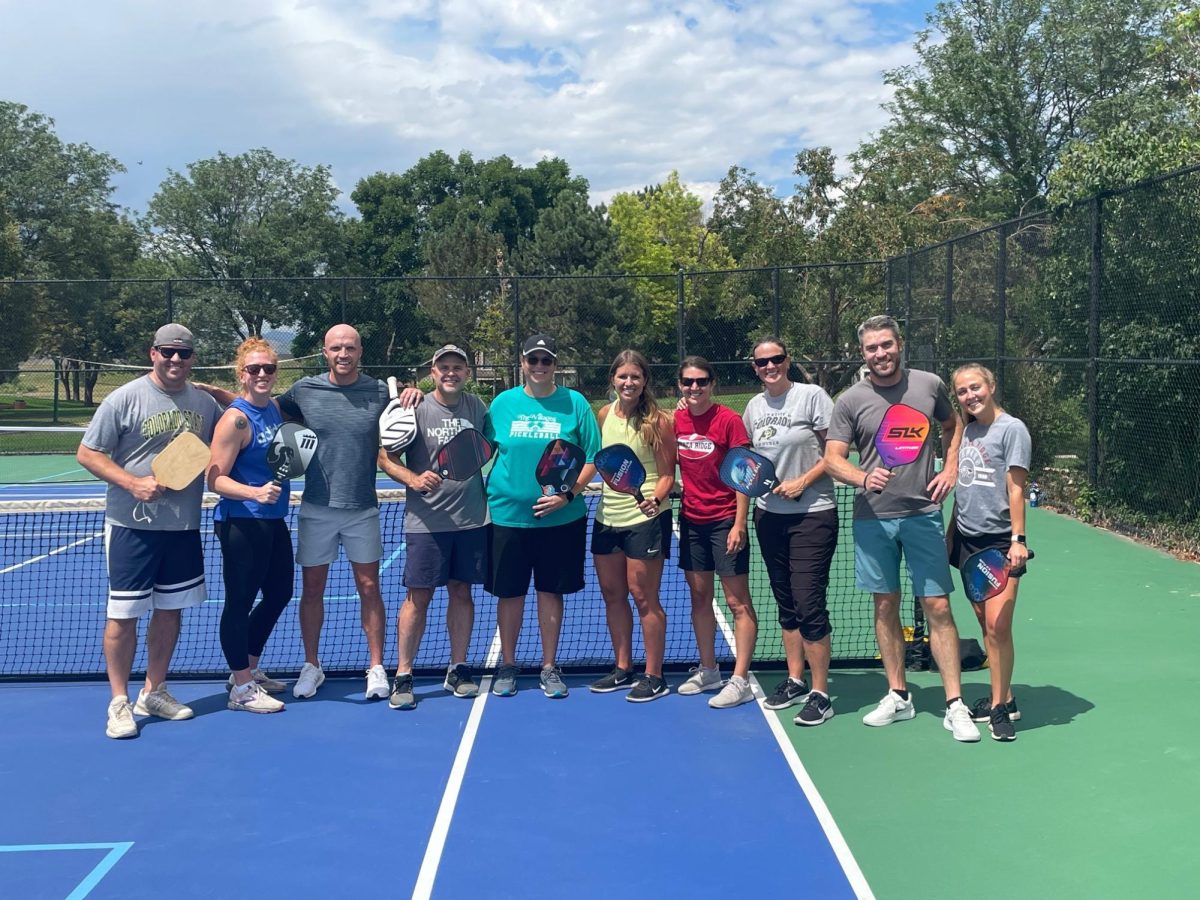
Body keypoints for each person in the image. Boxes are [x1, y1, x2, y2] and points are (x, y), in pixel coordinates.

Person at [824, 315, 980, 742]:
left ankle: (954, 704)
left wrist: (949, 467)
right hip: (873, 519)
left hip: (922, 514)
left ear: (900, 344)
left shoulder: (928, 385)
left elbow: (954, 425)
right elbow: (833, 457)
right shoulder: (850, 400)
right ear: (863, 353)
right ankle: (899, 695)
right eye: (872, 348)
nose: (881, 354)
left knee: (940, 608)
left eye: (887, 345)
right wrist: (860, 477)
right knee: (884, 606)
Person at [76, 324, 221, 739]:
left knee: (170, 611)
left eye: (184, 354)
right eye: (167, 352)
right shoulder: (124, 397)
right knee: (123, 614)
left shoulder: (204, 404)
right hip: (131, 527)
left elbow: (229, 425)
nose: (175, 360)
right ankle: (119, 701)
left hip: (182, 527)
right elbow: (87, 452)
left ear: (193, 358)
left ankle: (154, 691)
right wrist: (131, 483)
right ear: (152, 353)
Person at [483, 334, 599, 699]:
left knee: (550, 593)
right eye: (533, 360)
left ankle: (549, 666)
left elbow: (592, 458)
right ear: (522, 362)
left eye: (546, 361)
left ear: (554, 365)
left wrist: (566, 496)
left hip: (560, 520)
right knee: (510, 594)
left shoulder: (575, 403)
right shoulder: (502, 404)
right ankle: (508, 664)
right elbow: (481, 449)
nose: (539, 367)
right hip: (506, 517)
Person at [378, 345, 490, 710]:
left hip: (472, 519)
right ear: (433, 370)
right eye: (444, 367)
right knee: (418, 598)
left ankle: (457, 668)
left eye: (458, 367)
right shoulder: (415, 406)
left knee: (462, 593)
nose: (451, 373)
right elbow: (385, 456)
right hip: (426, 523)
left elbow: (487, 448)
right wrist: (412, 477)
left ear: (467, 372)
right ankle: (404, 674)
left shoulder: (477, 407)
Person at [743, 339, 840, 725]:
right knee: (786, 602)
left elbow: (836, 454)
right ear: (755, 367)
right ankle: (796, 679)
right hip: (769, 516)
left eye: (777, 359)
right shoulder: (753, 407)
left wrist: (803, 481)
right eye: (763, 362)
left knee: (808, 601)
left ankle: (821, 693)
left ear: (788, 361)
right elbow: (751, 463)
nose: (770, 366)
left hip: (813, 515)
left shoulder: (812, 397)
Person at [207, 337, 292, 714]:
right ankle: (240, 687)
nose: (262, 374)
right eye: (254, 369)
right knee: (239, 603)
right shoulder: (234, 420)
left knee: (280, 593)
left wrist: (211, 389)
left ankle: (249, 668)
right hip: (242, 523)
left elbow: (243, 398)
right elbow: (215, 479)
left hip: (274, 521)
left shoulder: (272, 407)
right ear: (242, 374)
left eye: (268, 368)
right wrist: (253, 493)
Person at [671, 356, 759, 709]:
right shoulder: (675, 420)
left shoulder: (729, 421)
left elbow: (744, 473)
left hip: (725, 521)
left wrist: (739, 523)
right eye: (688, 382)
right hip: (691, 521)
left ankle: (740, 680)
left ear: (713, 384)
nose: (695, 388)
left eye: (702, 382)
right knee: (699, 598)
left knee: (738, 602)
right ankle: (709, 670)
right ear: (680, 385)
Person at [950, 363, 1031, 742]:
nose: (970, 395)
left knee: (999, 627)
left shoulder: (1011, 429)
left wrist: (1018, 539)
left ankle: (999, 709)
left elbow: (1016, 488)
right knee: (985, 625)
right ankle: (1008, 696)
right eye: (963, 391)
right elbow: (965, 484)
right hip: (967, 540)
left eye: (976, 387)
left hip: (1001, 542)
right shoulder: (968, 430)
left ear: (992, 385)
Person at [589, 350, 676, 703]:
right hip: (607, 518)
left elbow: (668, 473)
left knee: (644, 598)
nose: (629, 382)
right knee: (613, 595)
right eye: (623, 376)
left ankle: (654, 675)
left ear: (645, 381)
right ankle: (623, 667)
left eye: (635, 377)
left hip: (646, 519)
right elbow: (605, 464)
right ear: (613, 379)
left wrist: (654, 498)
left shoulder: (658, 421)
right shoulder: (604, 414)